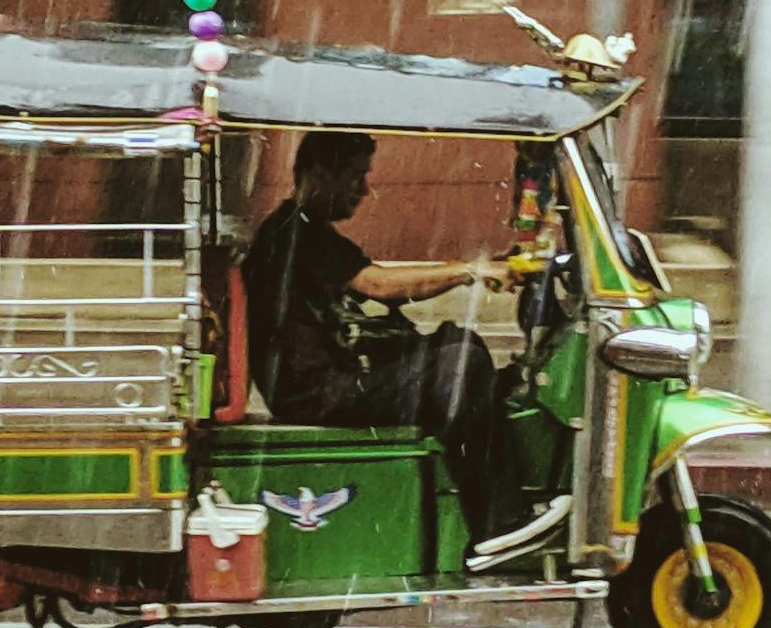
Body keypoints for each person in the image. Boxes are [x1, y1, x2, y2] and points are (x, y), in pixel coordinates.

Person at [241, 131, 572, 571]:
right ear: (320, 174)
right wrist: (469, 271)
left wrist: (488, 265)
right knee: (457, 366)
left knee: (460, 344)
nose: (363, 190)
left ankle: (504, 502)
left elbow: (381, 287)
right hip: (319, 391)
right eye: (356, 177)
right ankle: (497, 523)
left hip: (330, 379)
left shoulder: (304, 228)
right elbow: (377, 283)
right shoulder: (295, 233)